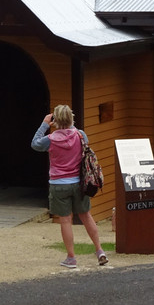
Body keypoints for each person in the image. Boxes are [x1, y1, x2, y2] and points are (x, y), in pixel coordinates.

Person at [30, 104, 108, 269]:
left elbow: (35, 144)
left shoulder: (50, 140)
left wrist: (45, 124)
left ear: (55, 120)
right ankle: (99, 250)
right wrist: (68, 123)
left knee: (65, 220)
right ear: (71, 118)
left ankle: (71, 258)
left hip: (58, 185)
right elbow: (79, 139)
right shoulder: (80, 135)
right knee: (86, 216)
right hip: (79, 184)